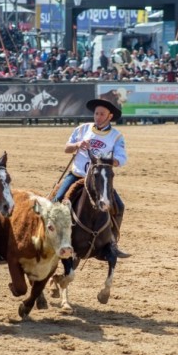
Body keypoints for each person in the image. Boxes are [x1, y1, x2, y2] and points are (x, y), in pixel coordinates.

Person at [53, 98, 131, 258]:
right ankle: (52, 240)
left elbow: (121, 158)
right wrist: (77, 145)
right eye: (96, 113)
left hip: (99, 181)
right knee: (57, 200)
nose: (98, 117)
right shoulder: (82, 129)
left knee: (119, 206)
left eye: (102, 114)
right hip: (77, 175)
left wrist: (110, 161)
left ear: (110, 116)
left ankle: (112, 242)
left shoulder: (116, 136)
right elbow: (67, 148)